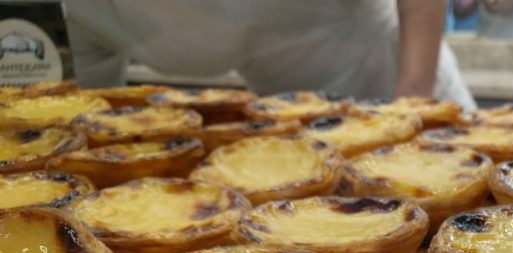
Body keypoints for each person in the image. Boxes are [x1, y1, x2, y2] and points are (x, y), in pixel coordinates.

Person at [63, 0, 476, 109]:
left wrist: (412, 107)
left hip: (395, 82)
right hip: (285, 135)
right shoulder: (71, 11)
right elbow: (80, 124)